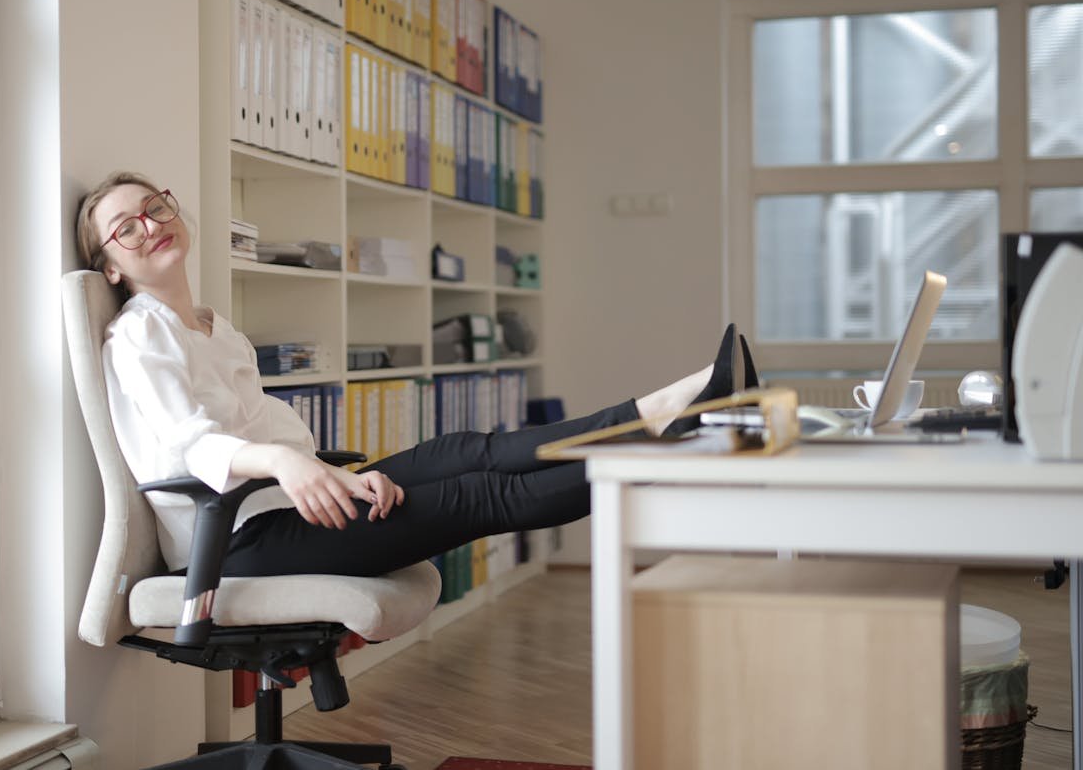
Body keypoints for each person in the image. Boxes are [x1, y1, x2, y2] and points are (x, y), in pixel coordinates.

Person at [76, 171, 752, 578]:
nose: (149, 225)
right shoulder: (138, 333)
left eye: (154, 208)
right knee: (480, 494)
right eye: (124, 229)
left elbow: (285, 457)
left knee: (464, 451)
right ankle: (675, 444)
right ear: (110, 265)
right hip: (236, 539)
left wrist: (334, 474)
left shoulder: (216, 327)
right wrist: (289, 462)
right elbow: (192, 444)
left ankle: (664, 407)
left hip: (294, 503)